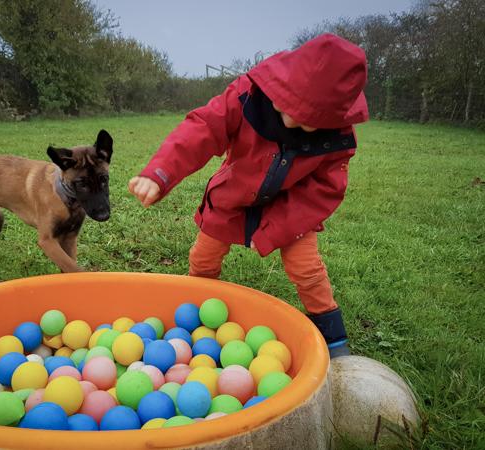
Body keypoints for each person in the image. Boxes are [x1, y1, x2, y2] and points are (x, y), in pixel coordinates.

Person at [128, 33, 369, 358]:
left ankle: (333, 338)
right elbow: (202, 129)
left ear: (334, 116)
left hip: (291, 209)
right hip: (232, 198)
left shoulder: (338, 138)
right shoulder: (245, 96)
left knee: (306, 267)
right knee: (204, 258)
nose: (292, 118)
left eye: (309, 119)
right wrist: (160, 173)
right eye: (288, 103)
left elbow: (323, 193)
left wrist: (277, 230)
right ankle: (196, 316)